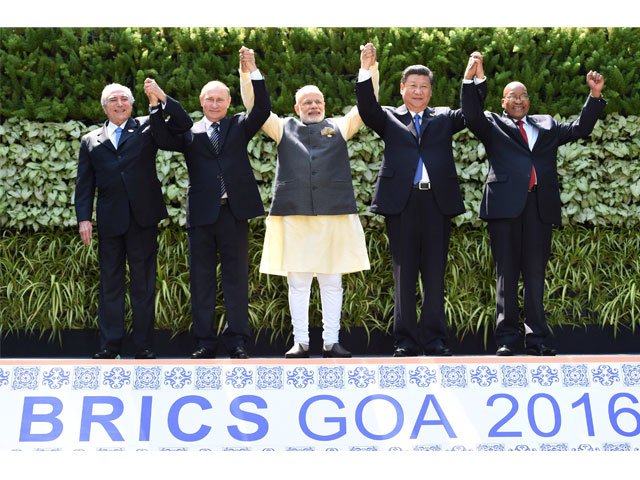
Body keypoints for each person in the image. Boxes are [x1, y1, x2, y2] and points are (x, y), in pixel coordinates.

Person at [461, 53, 606, 356]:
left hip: (539, 207)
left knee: (535, 273)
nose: (519, 100)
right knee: (507, 274)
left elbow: (580, 128)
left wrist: (594, 96)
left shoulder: (547, 125)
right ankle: (507, 340)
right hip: (504, 209)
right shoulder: (492, 125)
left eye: (524, 95)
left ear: (529, 101)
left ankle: (537, 339)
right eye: (513, 96)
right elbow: (471, 114)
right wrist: (472, 78)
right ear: (503, 102)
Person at [240, 46, 379, 358]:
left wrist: (367, 69)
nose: (313, 106)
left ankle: (331, 342)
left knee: (332, 282)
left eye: (317, 102)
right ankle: (300, 342)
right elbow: (254, 106)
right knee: (299, 284)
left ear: (325, 105)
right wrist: (248, 72)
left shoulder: (340, 127)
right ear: (296, 106)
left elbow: (366, 107)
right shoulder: (281, 127)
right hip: (294, 215)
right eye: (307, 102)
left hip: (333, 215)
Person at [355, 43, 487, 357]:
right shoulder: (388, 118)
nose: (418, 91)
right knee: (404, 273)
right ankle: (405, 341)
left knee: (434, 273)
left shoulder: (443, 117)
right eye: (412, 86)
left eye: (424, 87)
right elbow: (366, 108)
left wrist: (473, 80)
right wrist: (365, 68)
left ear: (431, 92)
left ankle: (435, 339)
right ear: (401, 89)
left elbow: (472, 113)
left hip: (435, 204)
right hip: (401, 204)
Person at [148, 47, 271, 359]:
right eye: (209, 99)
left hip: (234, 213)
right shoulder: (189, 133)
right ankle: (205, 341)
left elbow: (263, 108)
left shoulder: (239, 125)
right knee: (201, 280)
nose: (215, 103)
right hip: (202, 216)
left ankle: (237, 341)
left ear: (229, 103)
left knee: (235, 280)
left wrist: (253, 70)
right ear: (201, 102)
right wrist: (157, 103)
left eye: (220, 99)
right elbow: (161, 137)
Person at [75, 79, 193, 359]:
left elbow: (183, 123)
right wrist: (84, 219)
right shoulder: (90, 140)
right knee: (110, 284)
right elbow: (84, 184)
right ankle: (109, 345)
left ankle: (143, 346)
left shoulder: (147, 126)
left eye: (124, 99)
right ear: (105, 107)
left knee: (143, 284)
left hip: (142, 218)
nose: (119, 104)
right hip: (109, 220)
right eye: (114, 100)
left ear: (132, 104)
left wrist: (162, 97)